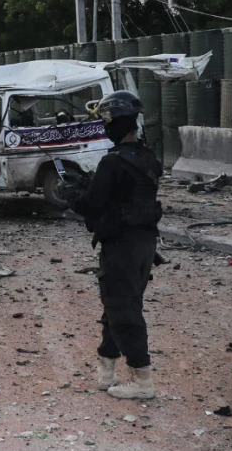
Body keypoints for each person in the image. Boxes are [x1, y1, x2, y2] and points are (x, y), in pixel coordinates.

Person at [62, 90, 163, 400]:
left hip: (121, 246)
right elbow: (125, 195)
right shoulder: (147, 157)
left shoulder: (112, 161)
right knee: (117, 305)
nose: (105, 129)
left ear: (116, 123)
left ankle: (142, 379)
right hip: (145, 244)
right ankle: (107, 369)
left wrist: (72, 195)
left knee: (123, 308)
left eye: (107, 123)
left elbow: (92, 206)